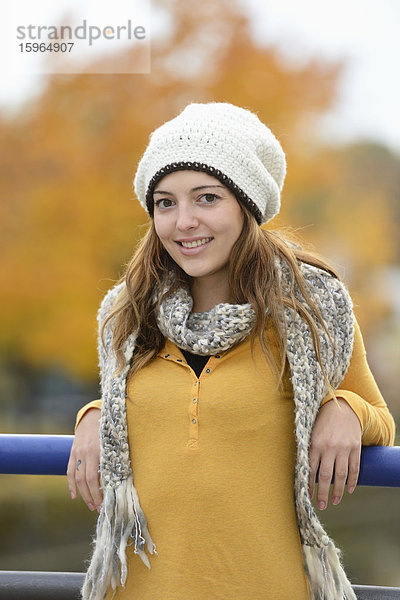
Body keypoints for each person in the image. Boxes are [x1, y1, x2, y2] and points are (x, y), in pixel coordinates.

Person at [67, 102, 395, 600]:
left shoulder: (312, 308)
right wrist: (95, 415)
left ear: (246, 203)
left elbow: (380, 419)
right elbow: (136, 405)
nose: (184, 222)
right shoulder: (127, 314)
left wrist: (345, 408)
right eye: (165, 203)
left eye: (206, 198)